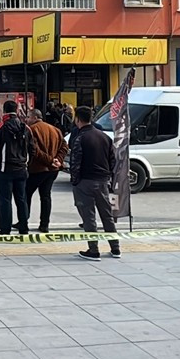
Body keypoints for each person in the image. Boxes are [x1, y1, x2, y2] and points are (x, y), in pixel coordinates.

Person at [70, 105, 120, 260]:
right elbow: (113, 160)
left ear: (77, 119)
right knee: (107, 216)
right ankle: (115, 248)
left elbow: (75, 162)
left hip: (85, 181)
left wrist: (75, 181)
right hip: (102, 181)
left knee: (89, 217)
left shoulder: (80, 138)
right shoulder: (105, 137)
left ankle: (93, 250)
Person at [0, 100, 30, 235]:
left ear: (4, 111)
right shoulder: (25, 128)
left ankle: (5, 229)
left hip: (4, 169)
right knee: (21, 198)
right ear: (17, 110)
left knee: (5, 200)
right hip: (21, 168)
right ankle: (24, 227)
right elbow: (32, 148)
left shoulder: (0, 128)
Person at [25, 107, 68, 233]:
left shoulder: (31, 130)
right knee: (46, 196)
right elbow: (64, 146)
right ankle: (44, 224)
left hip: (37, 169)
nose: (27, 120)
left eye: (28, 117)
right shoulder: (55, 129)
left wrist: (50, 160)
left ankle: (24, 220)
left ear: (35, 117)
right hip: (52, 170)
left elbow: (35, 151)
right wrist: (57, 160)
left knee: (26, 194)